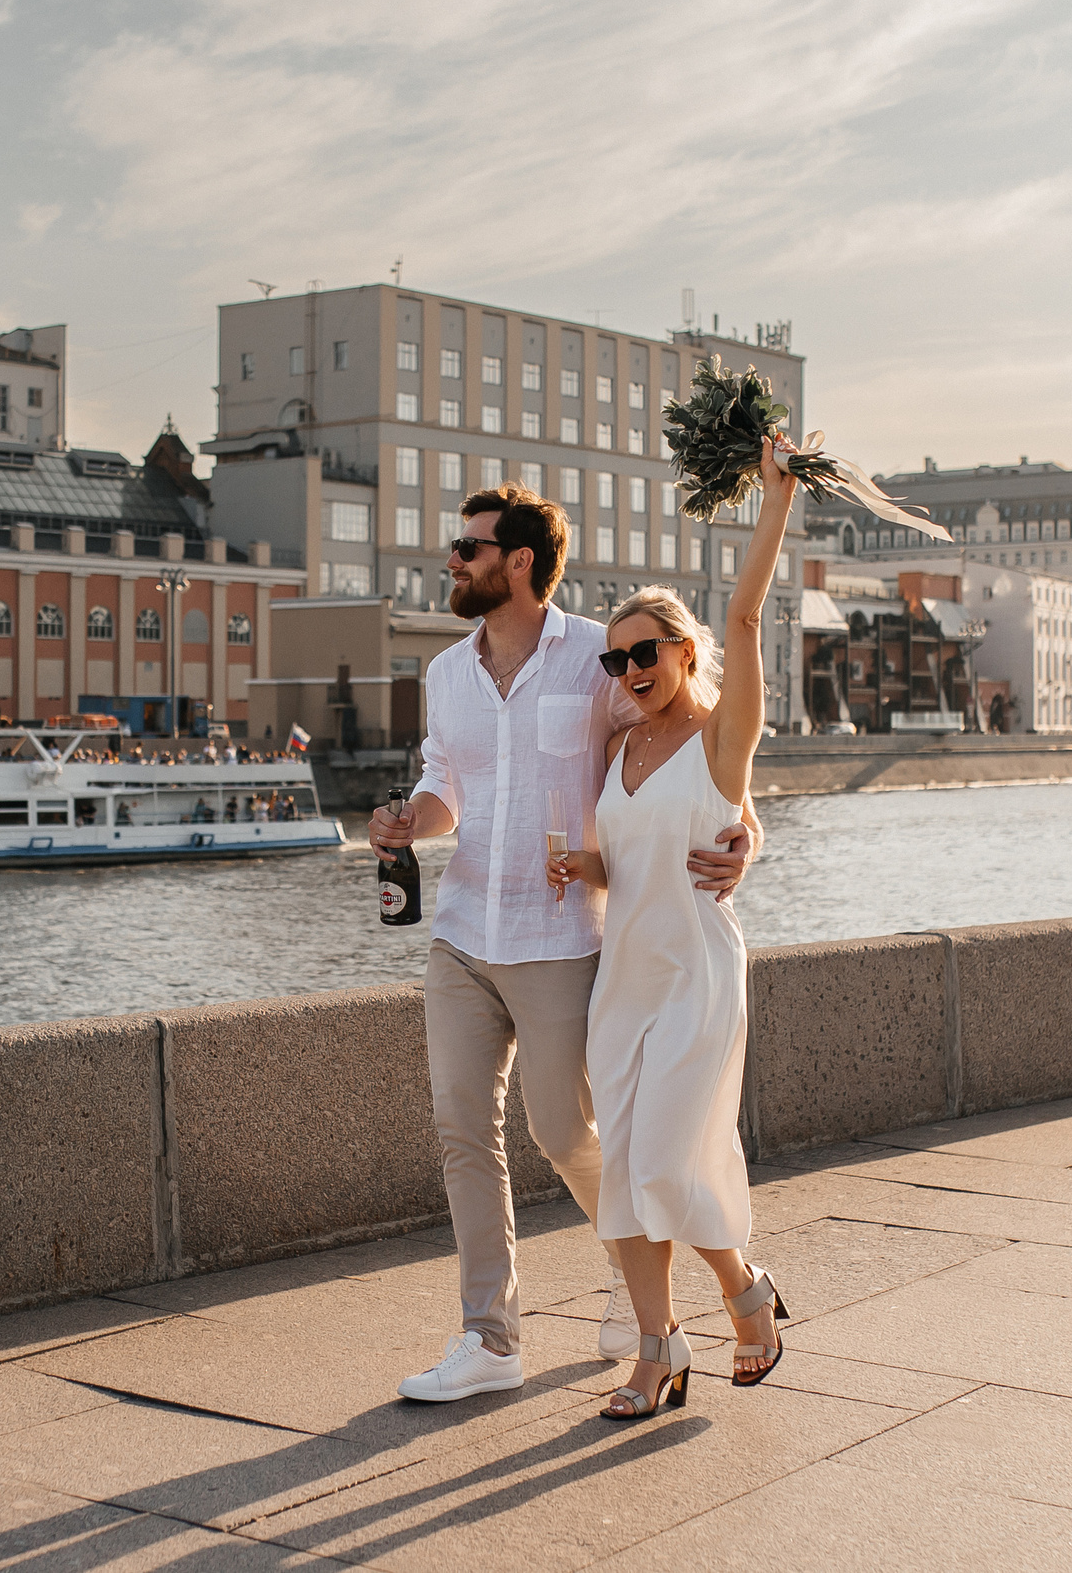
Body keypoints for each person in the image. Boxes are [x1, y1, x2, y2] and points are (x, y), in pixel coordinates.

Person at [375, 484, 762, 1404]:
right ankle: (490, 1335)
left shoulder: (600, 655)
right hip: (463, 932)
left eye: (468, 547)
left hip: (560, 943)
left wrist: (747, 829)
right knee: (462, 1132)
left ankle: (644, 1299)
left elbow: (685, 749)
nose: (451, 559)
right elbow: (445, 789)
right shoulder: (445, 674)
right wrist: (408, 820)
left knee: (566, 1132)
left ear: (517, 562)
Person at [546, 440, 799, 1419]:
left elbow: (744, 612)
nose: (626, 669)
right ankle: (657, 1350)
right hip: (625, 980)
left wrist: (772, 503)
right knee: (625, 1175)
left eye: (643, 652)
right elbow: (636, 856)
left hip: (696, 975)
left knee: (661, 1162)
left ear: (685, 653)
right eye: (615, 658)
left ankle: (742, 1289)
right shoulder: (618, 741)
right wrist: (585, 864)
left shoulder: (722, 736)